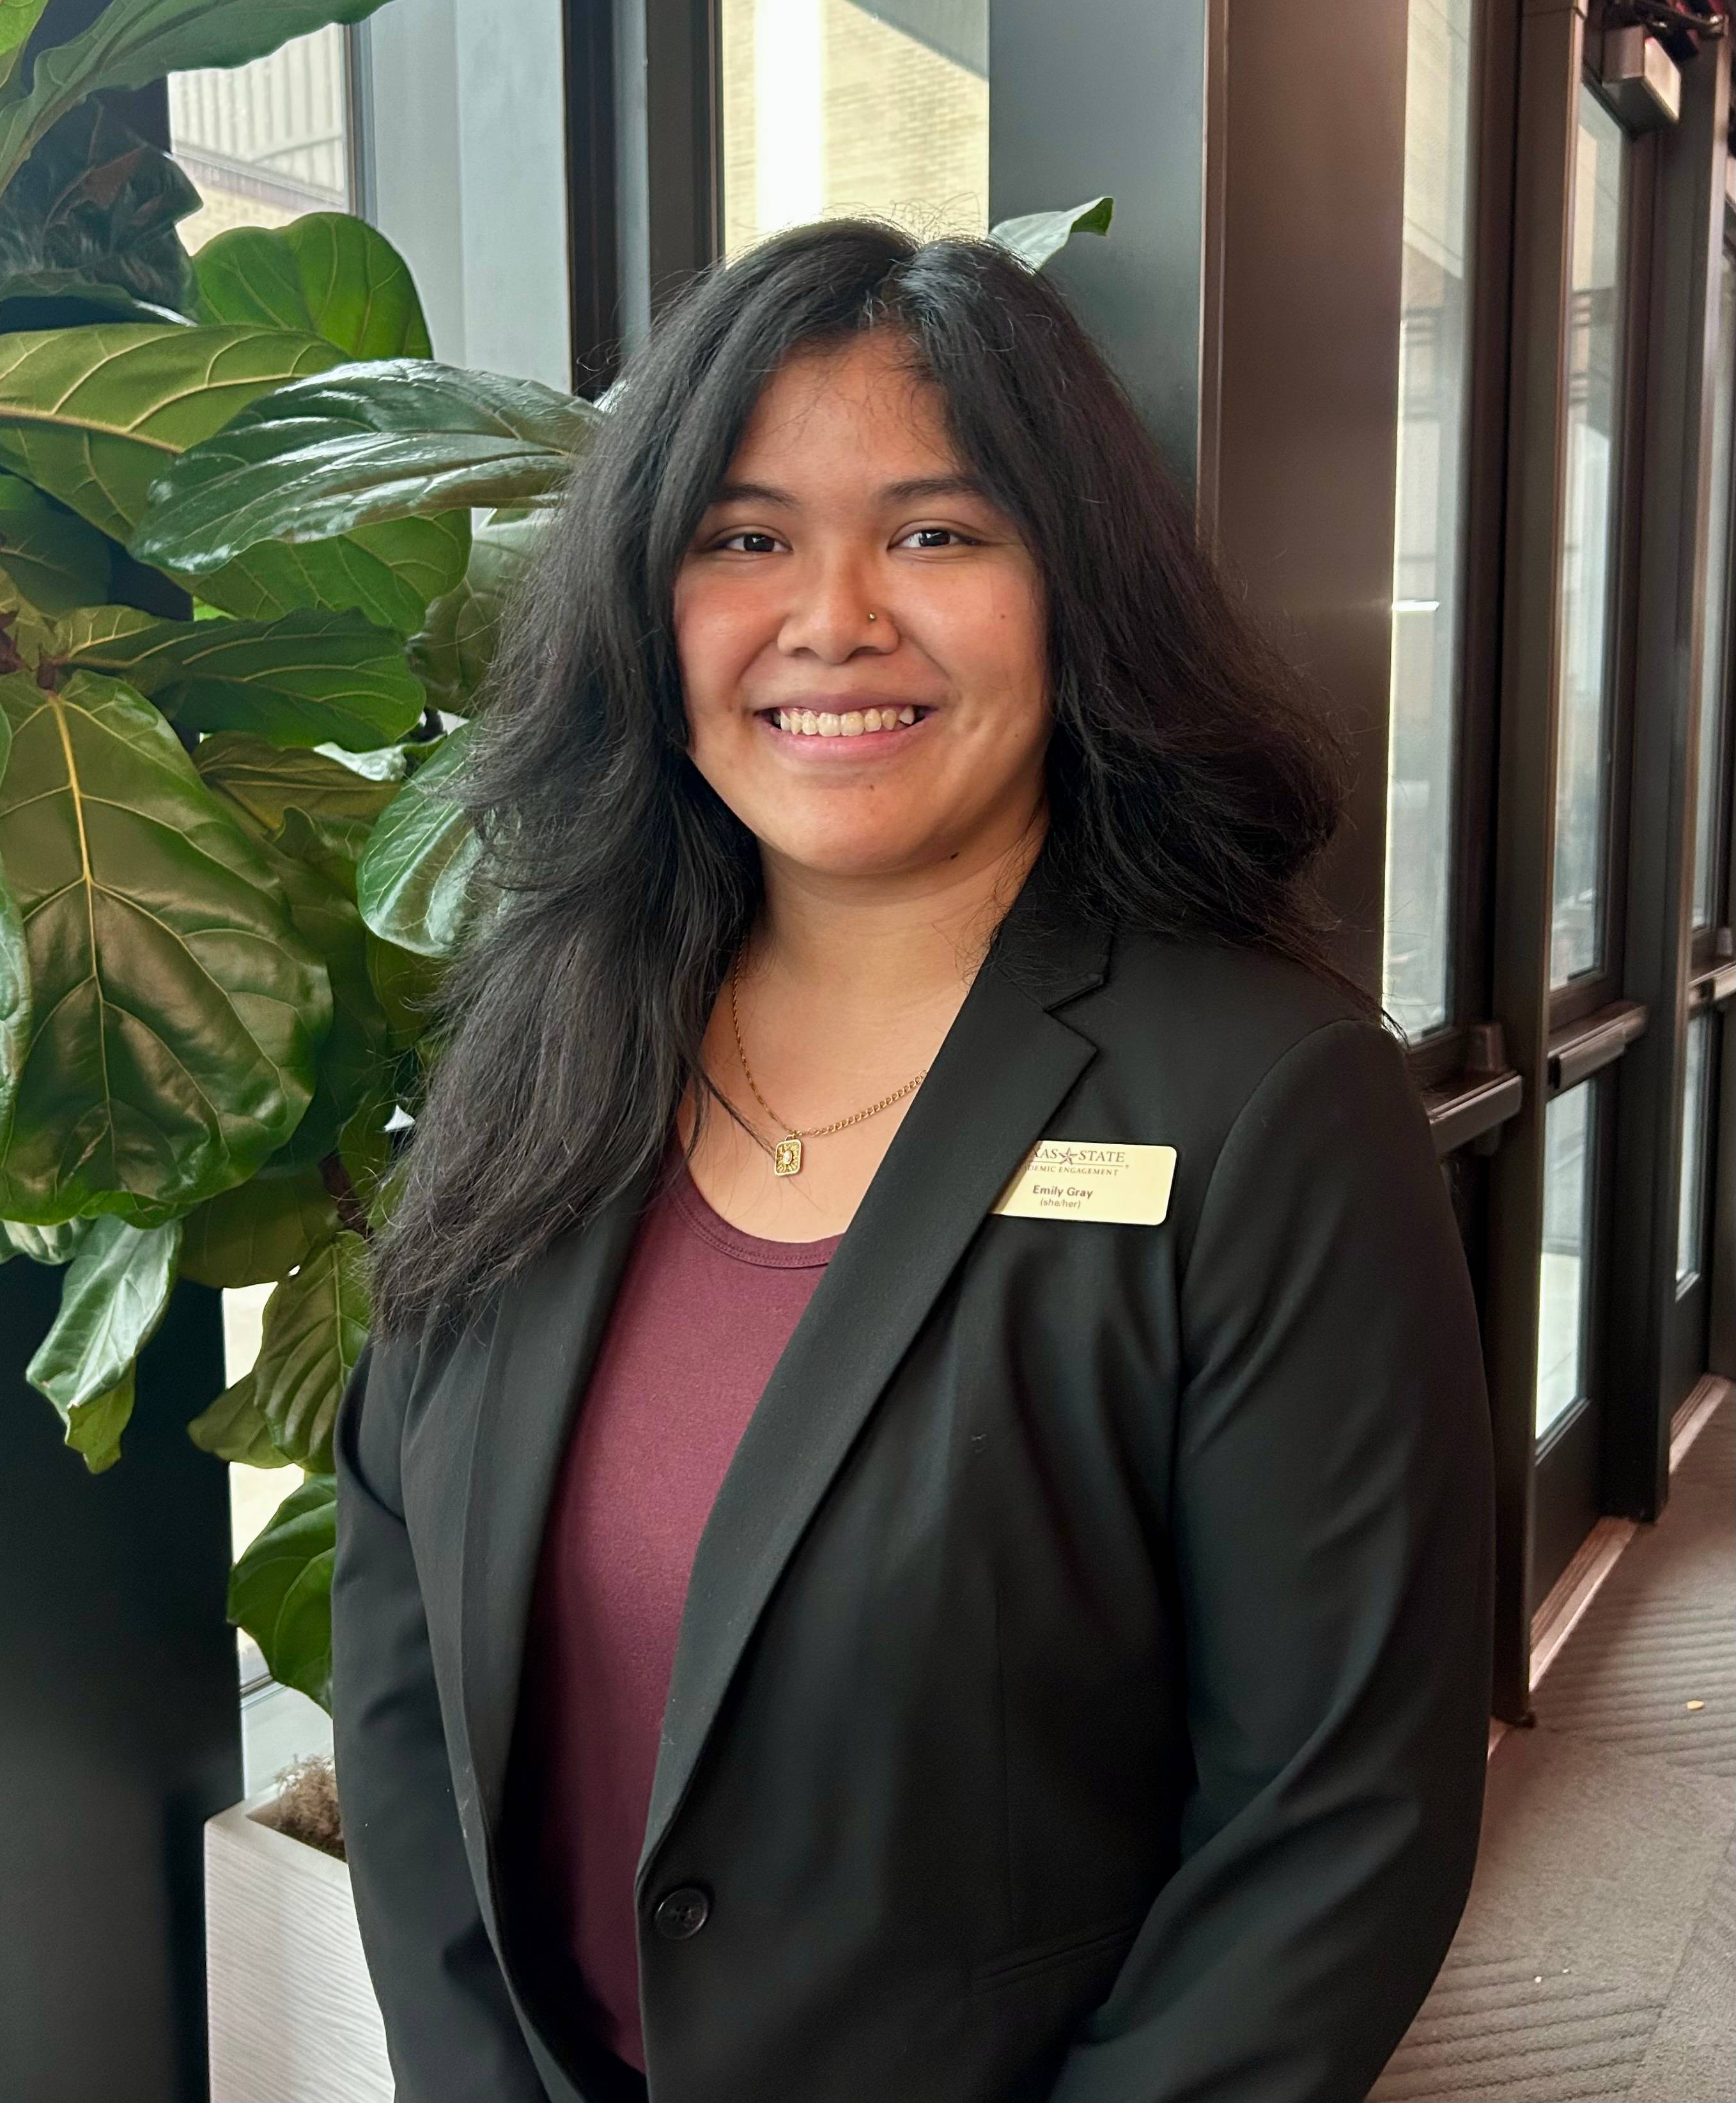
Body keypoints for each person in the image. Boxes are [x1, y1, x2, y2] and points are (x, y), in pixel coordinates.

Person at [331, 219, 1494, 2103]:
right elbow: (398, 1620)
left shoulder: (1261, 1107)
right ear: (653, 599)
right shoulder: (546, 1033)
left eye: (938, 532)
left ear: (1073, 591)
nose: (834, 617)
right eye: (744, 534)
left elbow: (1331, 1821)